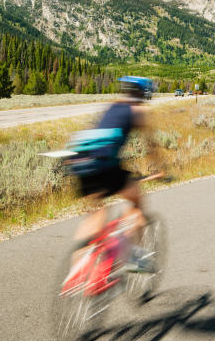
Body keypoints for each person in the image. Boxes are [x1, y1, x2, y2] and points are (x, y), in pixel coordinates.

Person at [69, 76, 163, 271]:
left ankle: (76, 274)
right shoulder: (138, 110)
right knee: (136, 201)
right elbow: (150, 146)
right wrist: (161, 169)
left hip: (80, 160)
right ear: (145, 93)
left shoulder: (112, 106)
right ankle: (134, 257)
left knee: (96, 215)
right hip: (104, 164)